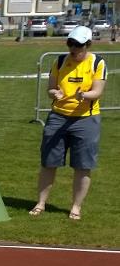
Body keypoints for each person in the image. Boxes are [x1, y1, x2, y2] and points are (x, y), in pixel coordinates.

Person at [30, 25, 107, 221]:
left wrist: (85, 95)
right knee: (48, 162)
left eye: (78, 45)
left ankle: (76, 207)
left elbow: (98, 91)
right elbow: (51, 88)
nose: (73, 49)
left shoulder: (97, 63)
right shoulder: (60, 61)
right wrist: (55, 93)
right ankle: (40, 203)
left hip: (86, 119)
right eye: (70, 44)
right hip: (58, 116)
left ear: (88, 45)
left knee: (83, 165)